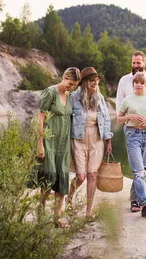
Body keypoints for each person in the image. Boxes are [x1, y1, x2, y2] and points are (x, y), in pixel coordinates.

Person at [116, 51, 146, 205]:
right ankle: (137, 199)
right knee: (136, 163)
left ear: (144, 63)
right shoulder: (124, 80)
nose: (136, 66)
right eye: (133, 63)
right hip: (132, 128)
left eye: (139, 63)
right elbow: (119, 105)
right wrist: (127, 121)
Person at [35, 67, 81, 228]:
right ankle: (40, 216)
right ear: (63, 77)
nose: (71, 87)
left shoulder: (69, 96)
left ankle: (56, 218)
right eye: (70, 84)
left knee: (62, 181)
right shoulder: (50, 93)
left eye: (75, 85)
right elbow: (40, 119)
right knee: (48, 181)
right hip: (49, 142)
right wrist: (40, 143)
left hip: (63, 144)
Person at [67, 67, 113, 218]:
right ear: (84, 82)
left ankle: (88, 211)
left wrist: (109, 140)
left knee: (92, 175)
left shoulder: (99, 99)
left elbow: (106, 120)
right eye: (92, 81)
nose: (95, 83)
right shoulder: (73, 97)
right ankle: (69, 198)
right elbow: (67, 119)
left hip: (96, 139)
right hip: (78, 139)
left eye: (96, 81)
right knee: (81, 176)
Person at [117, 72, 146, 217]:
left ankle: (134, 201)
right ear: (133, 84)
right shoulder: (127, 100)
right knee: (139, 171)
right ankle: (144, 204)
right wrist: (129, 116)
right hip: (132, 135)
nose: (139, 85)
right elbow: (119, 119)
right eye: (136, 82)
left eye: (142, 83)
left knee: (143, 170)